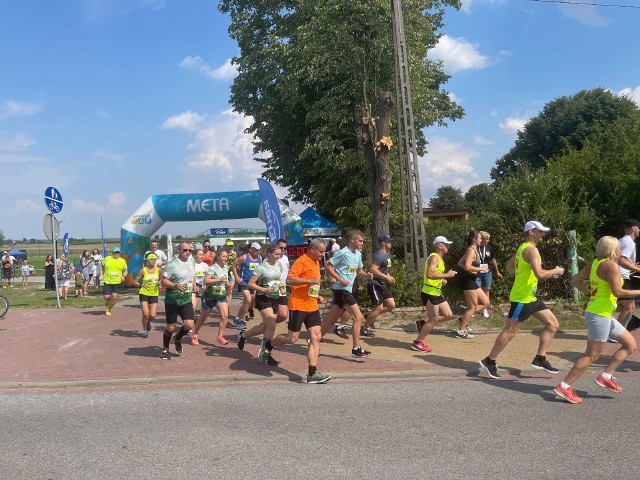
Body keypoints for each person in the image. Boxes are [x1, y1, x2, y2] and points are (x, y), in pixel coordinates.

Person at [553, 236, 639, 404]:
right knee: (592, 355)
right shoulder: (610, 266)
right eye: (619, 248)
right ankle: (564, 386)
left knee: (630, 345)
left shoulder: (594, 264)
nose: (621, 251)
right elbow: (618, 292)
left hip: (602, 313)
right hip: (599, 315)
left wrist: (588, 293)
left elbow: (575, 280)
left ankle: (606, 376)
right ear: (612, 249)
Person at [479, 221, 565, 379]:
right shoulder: (531, 250)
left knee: (553, 324)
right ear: (531, 232)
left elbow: (508, 267)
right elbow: (540, 274)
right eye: (540, 231)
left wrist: (523, 274)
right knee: (510, 331)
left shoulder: (522, 248)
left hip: (531, 297)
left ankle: (540, 359)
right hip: (521, 298)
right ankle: (489, 361)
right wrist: (556, 270)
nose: (543, 234)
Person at [270, 238, 331, 384]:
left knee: (316, 336)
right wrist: (309, 280)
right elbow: (290, 280)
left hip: (312, 306)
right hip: (298, 306)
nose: (323, 254)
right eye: (321, 251)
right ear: (312, 249)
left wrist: (317, 296)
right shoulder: (301, 261)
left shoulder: (316, 261)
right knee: (292, 339)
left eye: (324, 252)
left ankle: (312, 373)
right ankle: (269, 345)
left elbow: (312, 287)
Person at [319, 230, 373, 358]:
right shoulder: (342, 253)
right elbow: (328, 266)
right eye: (360, 241)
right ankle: (356, 348)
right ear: (352, 240)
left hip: (346, 290)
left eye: (363, 241)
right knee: (358, 317)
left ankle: (315, 339)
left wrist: (366, 275)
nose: (362, 243)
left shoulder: (358, 255)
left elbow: (358, 270)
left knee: (331, 319)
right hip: (341, 289)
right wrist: (339, 279)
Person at [411, 236, 457, 352]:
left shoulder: (440, 259)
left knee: (448, 315)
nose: (448, 247)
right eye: (446, 244)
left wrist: (442, 280)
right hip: (430, 292)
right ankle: (418, 342)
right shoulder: (434, 257)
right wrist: (447, 275)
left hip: (436, 291)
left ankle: (423, 325)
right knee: (433, 320)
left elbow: (435, 275)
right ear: (439, 246)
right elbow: (429, 274)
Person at [243, 244, 284, 365]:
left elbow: (279, 280)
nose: (278, 256)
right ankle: (266, 352)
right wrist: (264, 290)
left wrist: (281, 288)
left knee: (266, 326)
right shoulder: (261, 267)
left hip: (275, 298)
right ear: (269, 254)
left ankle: (244, 335)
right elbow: (251, 284)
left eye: (279, 254)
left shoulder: (279, 265)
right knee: (271, 324)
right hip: (263, 298)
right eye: (276, 254)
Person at [160, 241, 196, 360]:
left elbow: (192, 275)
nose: (188, 253)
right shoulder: (172, 264)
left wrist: (194, 284)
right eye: (185, 250)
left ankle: (177, 338)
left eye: (189, 250)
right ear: (179, 251)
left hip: (186, 299)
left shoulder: (192, 261)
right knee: (171, 327)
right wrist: (175, 285)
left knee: (189, 324)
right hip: (172, 300)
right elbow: (163, 281)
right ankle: (165, 349)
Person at [191, 247, 231, 347]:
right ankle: (195, 333)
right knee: (204, 316)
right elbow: (206, 281)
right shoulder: (213, 268)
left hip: (220, 296)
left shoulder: (226, 267)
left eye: (226, 257)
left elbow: (224, 280)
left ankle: (220, 336)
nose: (225, 258)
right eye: (223, 256)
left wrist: (227, 283)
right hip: (209, 296)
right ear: (218, 257)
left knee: (225, 315)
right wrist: (219, 279)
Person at [360, 234, 396, 337]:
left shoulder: (386, 255)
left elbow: (383, 270)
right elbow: (373, 269)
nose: (391, 243)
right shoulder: (379, 255)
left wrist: (389, 276)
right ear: (383, 243)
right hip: (374, 284)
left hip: (382, 284)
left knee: (391, 305)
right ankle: (364, 328)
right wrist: (386, 277)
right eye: (389, 242)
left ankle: (369, 316)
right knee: (379, 308)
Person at [456, 229, 490, 338]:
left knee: (485, 302)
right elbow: (466, 266)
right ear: (474, 239)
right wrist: (479, 269)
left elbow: (460, 263)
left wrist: (475, 270)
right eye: (480, 238)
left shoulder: (474, 249)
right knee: (472, 307)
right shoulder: (471, 250)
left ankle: (464, 318)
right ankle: (461, 330)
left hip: (472, 279)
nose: (482, 240)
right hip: (467, 280)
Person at [614, 219, 640, 330]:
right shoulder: (629, 242)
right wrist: (638, 270)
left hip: (619, 275)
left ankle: (620, 329)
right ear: (634, 228)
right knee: (629, 307)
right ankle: (616, 333)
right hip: (622, 277)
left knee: (628, 306)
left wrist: (633, 265)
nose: (639, 231)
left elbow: (621, 259)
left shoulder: (622, 240)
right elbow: (622, 262)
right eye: (639, 228)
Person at [232, 242, 262, 329]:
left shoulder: (260, 257)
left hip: (253, 283)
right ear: (251, 249)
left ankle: (237, 317)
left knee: (252, 303)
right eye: (256, 249)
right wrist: (237, 277)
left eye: (258, 250)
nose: (257, 251)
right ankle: (241, 319)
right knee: (248, 300)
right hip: (244, 282)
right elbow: (234, 265)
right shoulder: (245, 257)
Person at [131, 253, 160, 338]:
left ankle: (148, 322)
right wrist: (141, 285)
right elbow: (134, 281)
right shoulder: (143, 270)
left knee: (152, 316)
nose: (153, 261)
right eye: (151, 259)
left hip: (154, 294)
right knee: (145, 313)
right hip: (144, 293)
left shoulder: (158, 270)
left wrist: (160, 282)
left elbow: (162, 279)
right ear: (148, 260)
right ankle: (144, 330)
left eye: (155, 259)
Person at [475, 231, 503, 317]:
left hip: (487, 271)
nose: (488, 241)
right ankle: (475, 309)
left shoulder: (489, 248)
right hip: (477, 272)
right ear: (482, 239)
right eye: (487, 239)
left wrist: (497, 271)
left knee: (486, 290)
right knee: (476, 290)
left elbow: (493, 260)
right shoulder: (475, 248)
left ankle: (485, 309)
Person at [101, 247, 128, 316]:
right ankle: (109, 301)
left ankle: (108, 310)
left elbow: (125, 270)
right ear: (112, 253)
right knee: (106, 297)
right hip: (108, 281)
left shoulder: (122, 261)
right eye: (115, 252)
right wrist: (101, 274)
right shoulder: (107, 259)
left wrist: (124, 276)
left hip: (117, 282)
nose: (116, 254)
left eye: (118, 252)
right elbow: (101, 265)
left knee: (114, 296)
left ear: (119, 253)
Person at [192, 248, 209, 315]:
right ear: (194, 255)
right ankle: (190, 316)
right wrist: (194, 285)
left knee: (196, 303)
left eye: (202, 255)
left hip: (201, 286)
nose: (201, 256)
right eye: (199, 255)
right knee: (193, 304)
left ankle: (191, 315)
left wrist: (205, 285)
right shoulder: (191, 264)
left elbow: (207, 275)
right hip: (192, 285)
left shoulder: (204, 265)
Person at [224, 239, 237, 306]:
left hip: (232, 273)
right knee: (225, 290)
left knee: (230, 290)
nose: (230, 247)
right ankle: (224, 303)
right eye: (229, 246)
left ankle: (227, 306)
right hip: (224, 273)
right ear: (225, 246)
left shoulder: (234, 253)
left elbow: (236, 262)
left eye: (231, 246)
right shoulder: (223, 253)